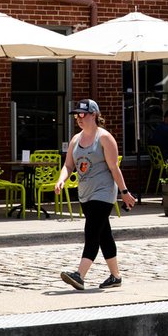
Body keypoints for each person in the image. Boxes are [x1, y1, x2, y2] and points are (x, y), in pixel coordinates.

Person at [56, 99, 136, 290]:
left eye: (82, 114)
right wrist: (61, 179)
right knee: (104, 234)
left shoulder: (104, 138)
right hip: (85, 193)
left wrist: (124, 192)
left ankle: (79, 275)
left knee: (91, 231)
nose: (79, 118)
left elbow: (114, 167)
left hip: (103, 192)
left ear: (94, 115)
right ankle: (116, 276)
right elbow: (68, 165)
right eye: (76, 115)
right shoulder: (76, 139)